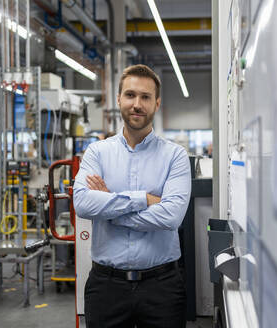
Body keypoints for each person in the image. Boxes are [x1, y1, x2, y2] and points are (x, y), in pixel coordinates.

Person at [73, 64, 191, 328]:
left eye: (145, 97)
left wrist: (109, 210)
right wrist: (144, 199)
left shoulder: (175, 156)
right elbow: (82, 204)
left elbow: (171, 217)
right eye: (130, 95)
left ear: (156, 103)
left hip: (162, 288)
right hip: (106, 288)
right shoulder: (97, 153)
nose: (137, 104)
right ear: (118, 99)